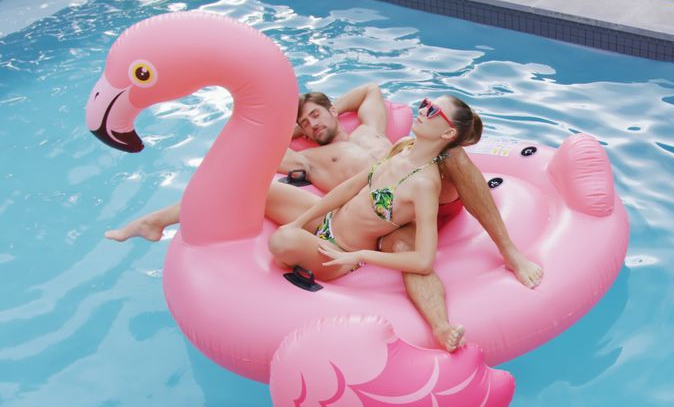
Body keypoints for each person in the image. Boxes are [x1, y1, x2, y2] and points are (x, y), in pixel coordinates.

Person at [106, 84, 543, 351]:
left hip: (414, 203)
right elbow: (256, 155)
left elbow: (370, 90)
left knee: (456, 161)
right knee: (254, 191)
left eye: (317, 114)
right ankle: (158, 220)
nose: (312, 124)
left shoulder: (376, 132)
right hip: (365, 216)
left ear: (335, 110)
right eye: (305, 123)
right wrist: (298, 128)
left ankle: (508, 252)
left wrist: (323, 107)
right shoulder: (310, 158)